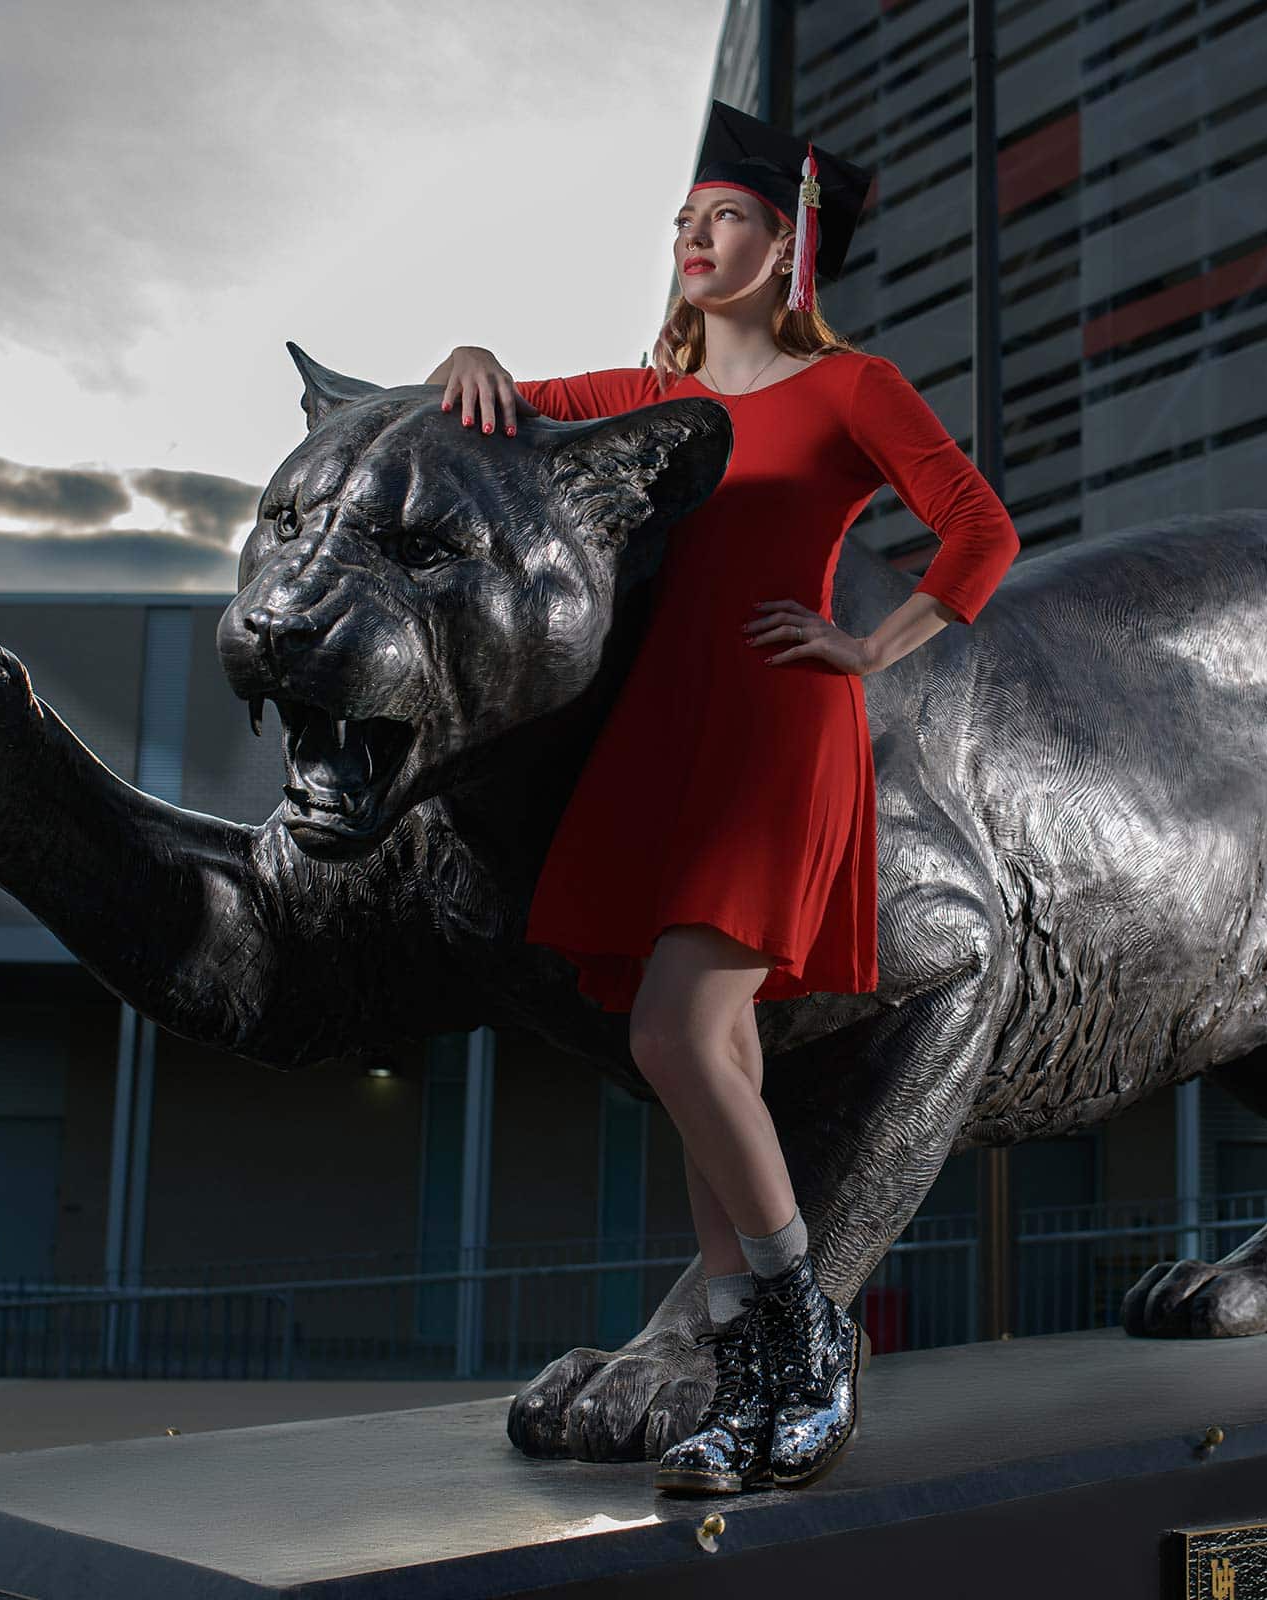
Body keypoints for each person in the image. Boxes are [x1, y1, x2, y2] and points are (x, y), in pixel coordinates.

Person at [426, 101, 1019, 1496]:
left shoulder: (853, 389)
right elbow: (505, 411)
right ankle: (749, 1400)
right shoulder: (654, 396)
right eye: (685, 221)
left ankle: (808, 1347)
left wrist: (874, 647)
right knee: (715, 1063)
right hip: (662, 746)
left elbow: (982, 529)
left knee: (678, 1030)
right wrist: (465, 357)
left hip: (775, 730)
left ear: (786, 244)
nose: (695, 237)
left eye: (725, 220)